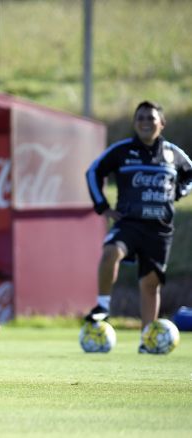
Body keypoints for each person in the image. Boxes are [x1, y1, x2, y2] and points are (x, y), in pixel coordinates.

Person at [85, 100, 192, 352]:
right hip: (129, 223)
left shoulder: (172, 153)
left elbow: (190, 174)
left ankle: (147, 339)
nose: (145, 122)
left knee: (150, 284)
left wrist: (179, 191)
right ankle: (102, 306)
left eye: (150, 118)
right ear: (134, 123)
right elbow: (93, 172)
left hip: (159, 228)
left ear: (161, 123)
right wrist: (103, 206)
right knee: (111, 251)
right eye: (140, 118)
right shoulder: (122, 151)